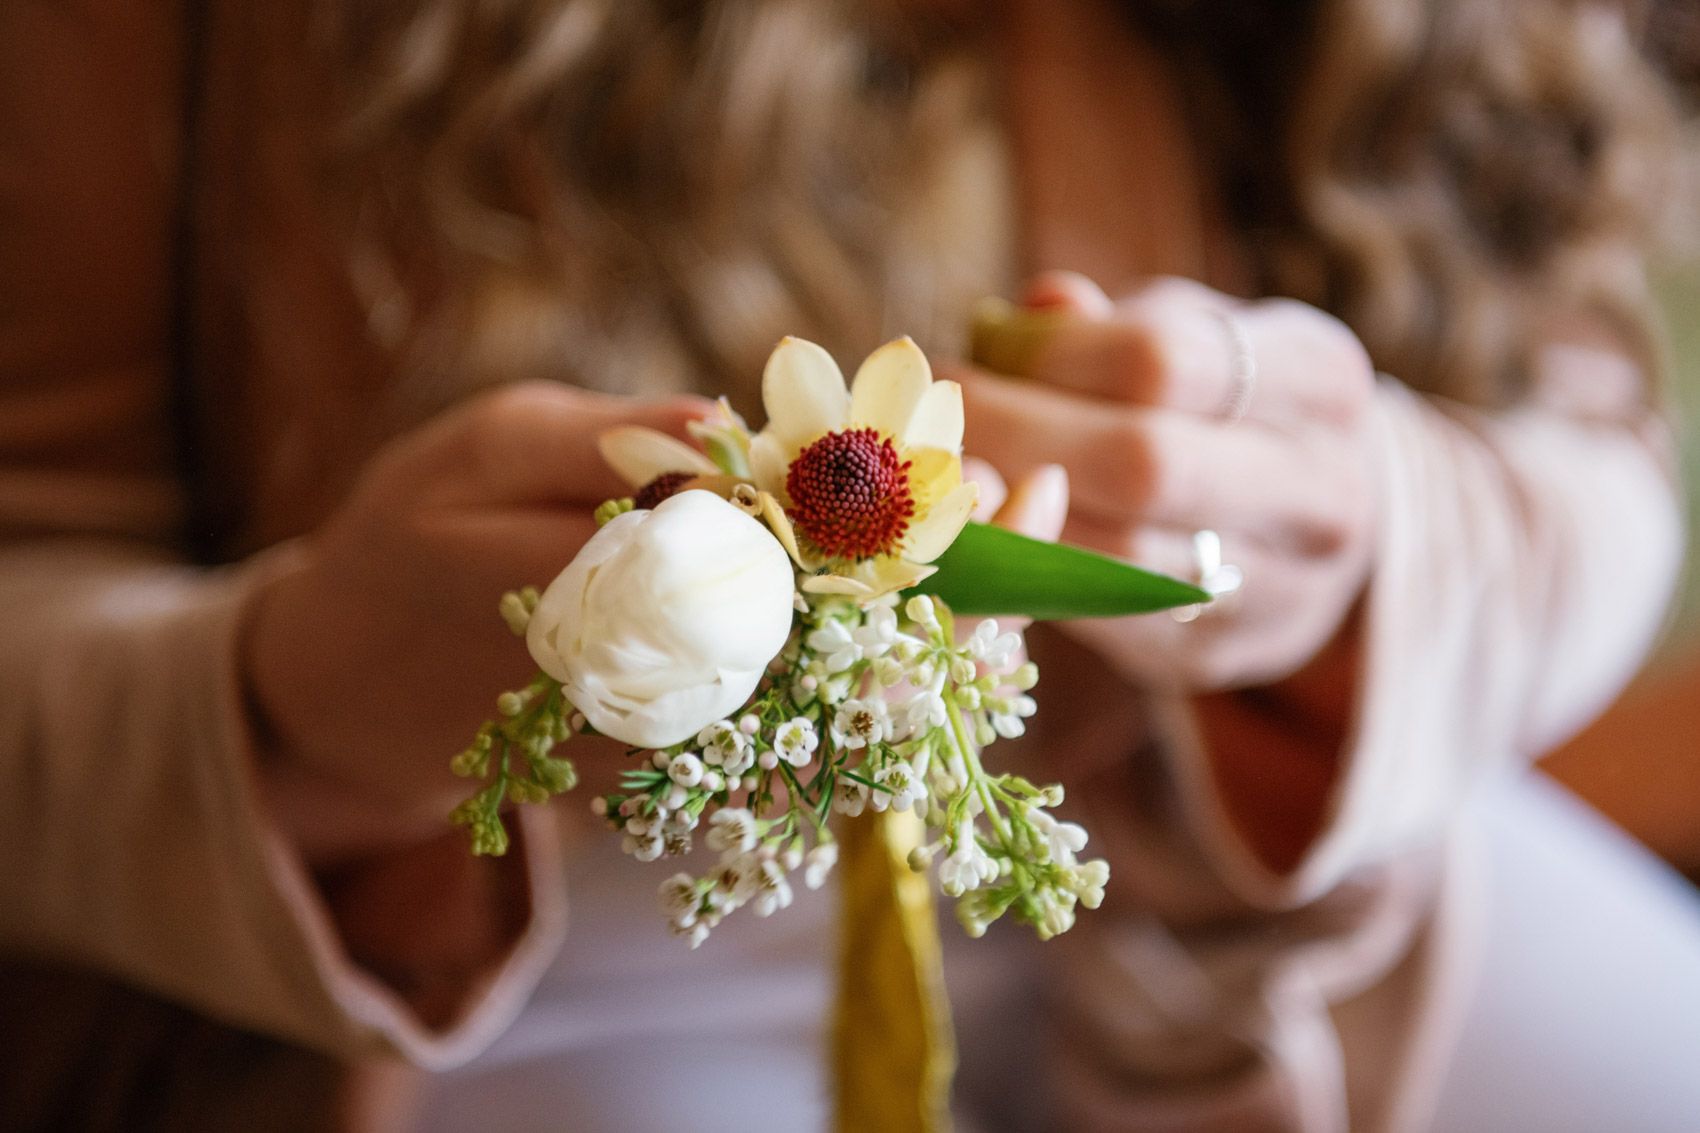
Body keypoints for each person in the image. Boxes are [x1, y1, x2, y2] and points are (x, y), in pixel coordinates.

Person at [2, 0, 1698, 1130]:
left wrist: (1388, 531)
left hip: (1265, 916)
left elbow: (1600, 474)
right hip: (541, 956)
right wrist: (286, 692)